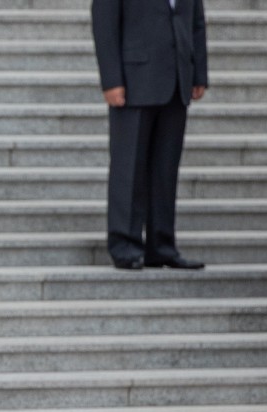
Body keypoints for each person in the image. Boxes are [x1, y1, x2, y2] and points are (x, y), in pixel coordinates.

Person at [91, 0, 209, 270]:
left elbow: (196, 20)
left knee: (165, 170)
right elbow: (104, 23)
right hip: (134, 80)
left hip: (177, 79)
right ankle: (125, 244)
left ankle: (162, 246)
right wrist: (111, 79)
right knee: (128, 168)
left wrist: (198, 71)